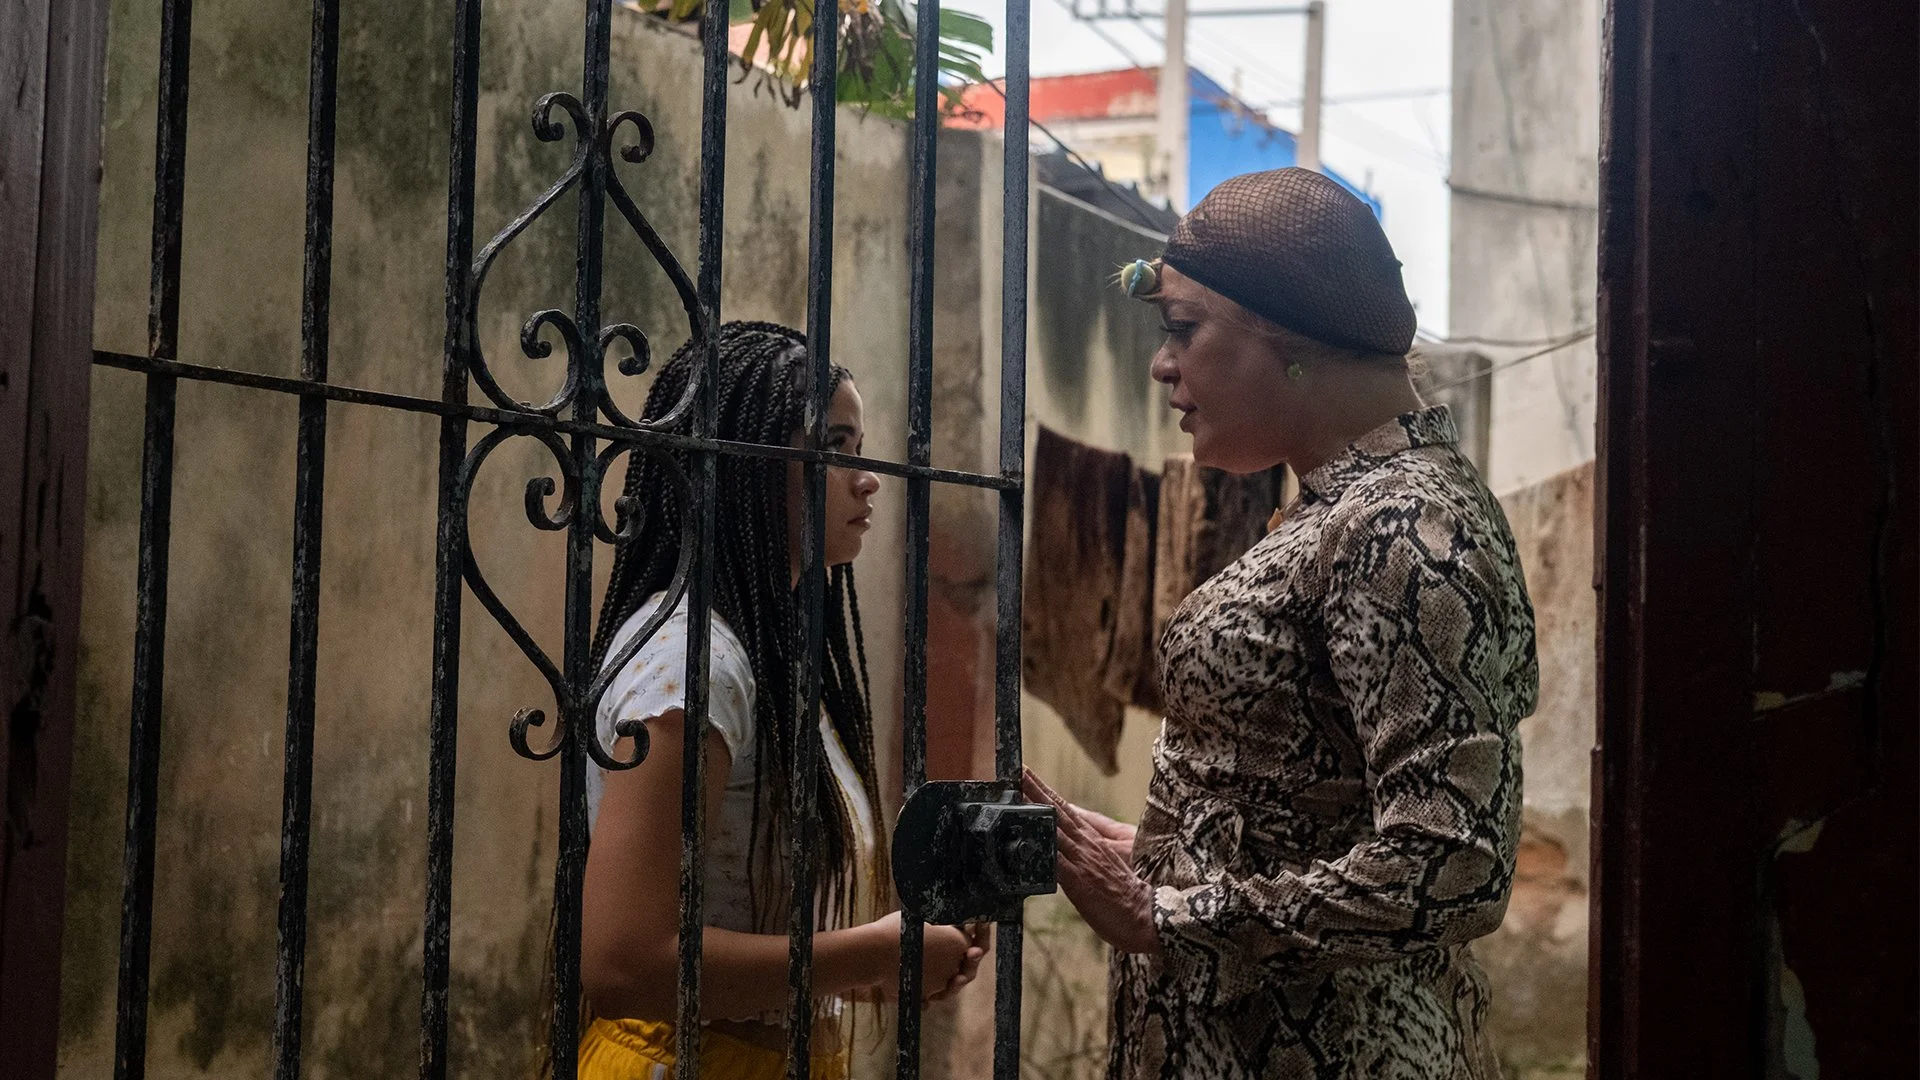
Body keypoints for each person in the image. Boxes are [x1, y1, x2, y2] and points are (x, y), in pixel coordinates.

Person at [1023, 168, 1540, 1079]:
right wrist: (1159, 848)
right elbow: (1315, 796)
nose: (1161, 364)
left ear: (1291, 339)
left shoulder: (1401, 526)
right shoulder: (1343, 507)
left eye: (1182, 328)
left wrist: (1169, 916)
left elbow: (1455, 861)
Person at [577, 321, 986, 1080]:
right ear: (745, 465)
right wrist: (879, 950)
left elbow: (743, 927)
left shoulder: (765, 655)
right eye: (833, 450)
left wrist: (886, 970)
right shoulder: (692, 664)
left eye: (859, 451)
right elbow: (622, 959)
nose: (867, 480)